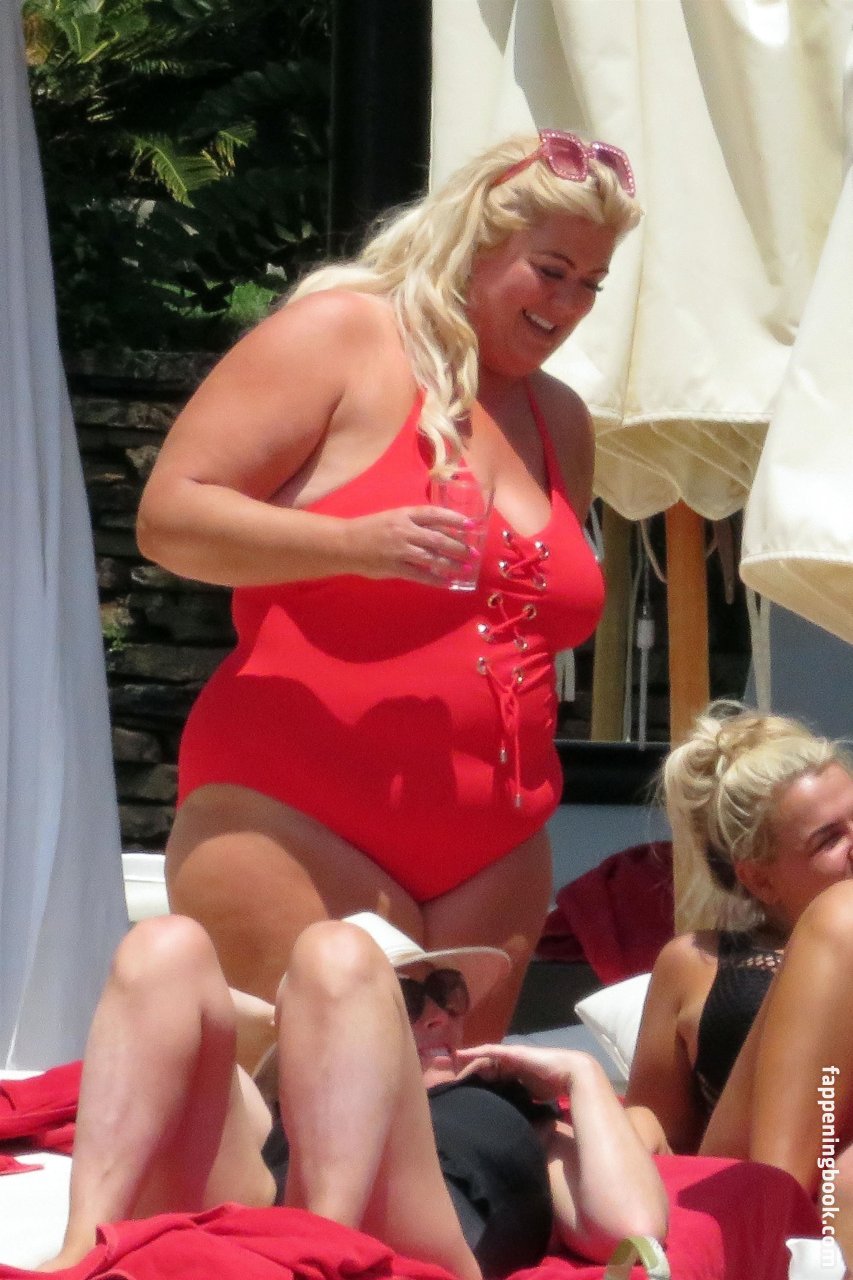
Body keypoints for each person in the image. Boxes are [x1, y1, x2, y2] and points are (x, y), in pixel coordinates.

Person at [135, 130, 643, 1039]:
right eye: (550, 270)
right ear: (474, 242)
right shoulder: (341, 336)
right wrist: (350, 544)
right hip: (292, 813)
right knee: (319, 1106)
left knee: (452, 1116)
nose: (568, 304)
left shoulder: (557, 418)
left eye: (591, 284)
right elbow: (170, 519)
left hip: (494, 848)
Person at [43, 913, 667, 1278]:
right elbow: (174, 1022)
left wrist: (583, 1073)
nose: (437, 1016)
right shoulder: (283, 1113)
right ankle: (79, 1255)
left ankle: (319, 1250)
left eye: (448, 994)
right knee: (165, 944)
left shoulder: (513, 1105)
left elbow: (631, 1229)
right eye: (406, 999)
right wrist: (295, 1021)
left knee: (333, 949)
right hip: (273, 1217)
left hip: (416, 1241)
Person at [624, 702, 853, 1267]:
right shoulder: (697, 963)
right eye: (829, 839)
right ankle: (778, 1234)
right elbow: (656, 1127)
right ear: (758, 879)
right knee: (841, 915)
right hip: (755, 1178)